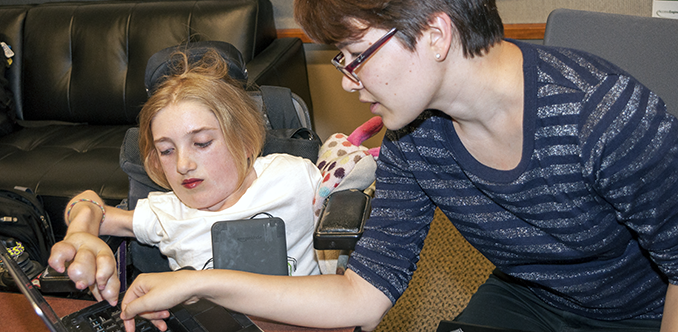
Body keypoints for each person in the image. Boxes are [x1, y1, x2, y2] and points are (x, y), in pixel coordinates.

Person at [115, 1, 678, 331]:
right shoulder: (413, 134)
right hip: (530, 295)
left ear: (434, 34)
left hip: (640, 314)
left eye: (354, 57)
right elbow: (364, 293)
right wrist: (195, 283)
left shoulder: (604, 116)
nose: (344, 80)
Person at [48, 48, 323, 305]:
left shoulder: (293, 177)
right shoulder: (167, 213)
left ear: (245, 142)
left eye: (202, 143)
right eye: (166, 150)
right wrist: (80, 231)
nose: (182, 164)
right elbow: (88, 203)